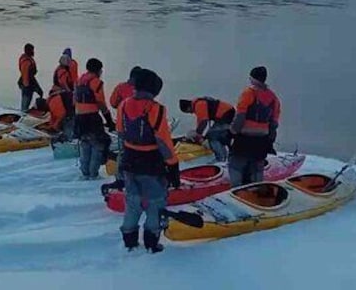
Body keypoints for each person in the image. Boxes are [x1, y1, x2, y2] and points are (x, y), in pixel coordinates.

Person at [117, 68, 180, 253]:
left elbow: (120, 132)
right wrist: (173, 167)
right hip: (151, 163)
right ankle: (152, 243)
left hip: (129, 159)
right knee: (155, 202)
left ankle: (129, 240)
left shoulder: (123, 105)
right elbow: (164, 141)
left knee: (132, 202)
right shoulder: (156, 109)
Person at [228, 66, 281, 187]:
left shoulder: (248, 93)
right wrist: (270, 141)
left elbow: (240, 116)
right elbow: (274, 123)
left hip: (244, 139)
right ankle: (256, 192)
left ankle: (237, 192)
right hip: (262, 140)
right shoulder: (273, 98)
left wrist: (232, 131)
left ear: (252, 78)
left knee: (236, 165)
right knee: (257, 167)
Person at [74, 58, 114, 179]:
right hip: (91, 117)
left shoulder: (79, 81)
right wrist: (109, 119)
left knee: (85, 143)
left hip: (79, 117)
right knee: (98, 144)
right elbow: (100, 102)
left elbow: (74, 99)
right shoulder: (96, 82)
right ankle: (93, 174)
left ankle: (85, 172)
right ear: (98, 70)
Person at [179, 97, 235, 162]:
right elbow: (200, 122)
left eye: (188, 112)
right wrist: (200, 134)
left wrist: (198, 135)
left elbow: (203, 122)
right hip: (225, 115)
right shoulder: (199, 104)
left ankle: (221, 159)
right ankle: (228, 154)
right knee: (217, 134)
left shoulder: (199, 105)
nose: (191, 113)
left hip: (226, 116)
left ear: (188, 107)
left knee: (212, 137)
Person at [17, 43, 43, 112]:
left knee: (27, 100)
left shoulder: (27, 59)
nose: (33, 52)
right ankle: (23, 114)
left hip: (29, 82)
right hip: (27, 83)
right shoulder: (26, 62)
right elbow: (26, 74)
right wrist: (27, 85)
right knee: (25, 102)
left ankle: (24, 112)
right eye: (32, 50)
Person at [53, 54, 75, 126]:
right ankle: (67, 124)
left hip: (58, 92)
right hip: (62, 93)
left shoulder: (59, 69)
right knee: (67, 110)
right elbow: (63, 83)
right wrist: (69, 92)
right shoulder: (62, 71)